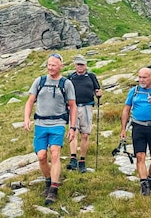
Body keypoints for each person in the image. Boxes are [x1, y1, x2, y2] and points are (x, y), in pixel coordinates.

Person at [24, 53, 77, 205]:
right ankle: (48, 181)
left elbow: (73, 106)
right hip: (40, 124)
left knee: (55, 154)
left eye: (54, 65)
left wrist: (72, 127)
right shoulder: (39, 81)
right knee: (41, 156)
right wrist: (26, 119)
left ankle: (53, 189)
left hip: (58, 123)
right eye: (48, 64)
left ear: (61, 66)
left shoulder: (66, 84)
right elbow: (29, 102)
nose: (50, 68)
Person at [120, 68, 151, 196]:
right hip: (138, 127)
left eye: (144, 77)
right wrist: (123, 129)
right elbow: (126, 109)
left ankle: (150, 179)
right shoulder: (134, 91)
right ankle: (144, 185)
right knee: (140, 156)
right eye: (140, 77)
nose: (141, 80)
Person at [65, 54, 102, 173]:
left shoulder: (91, 76)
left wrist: (99, 94)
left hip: (87, 106)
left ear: (85, 65)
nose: (80, 66)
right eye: (78, 64)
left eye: (82, 64)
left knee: (85, 134)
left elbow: (97, 89)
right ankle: (73, 158)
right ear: (75, 65)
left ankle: (82, 161)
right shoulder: (70, 77)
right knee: (73, 132)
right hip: (74, 107)